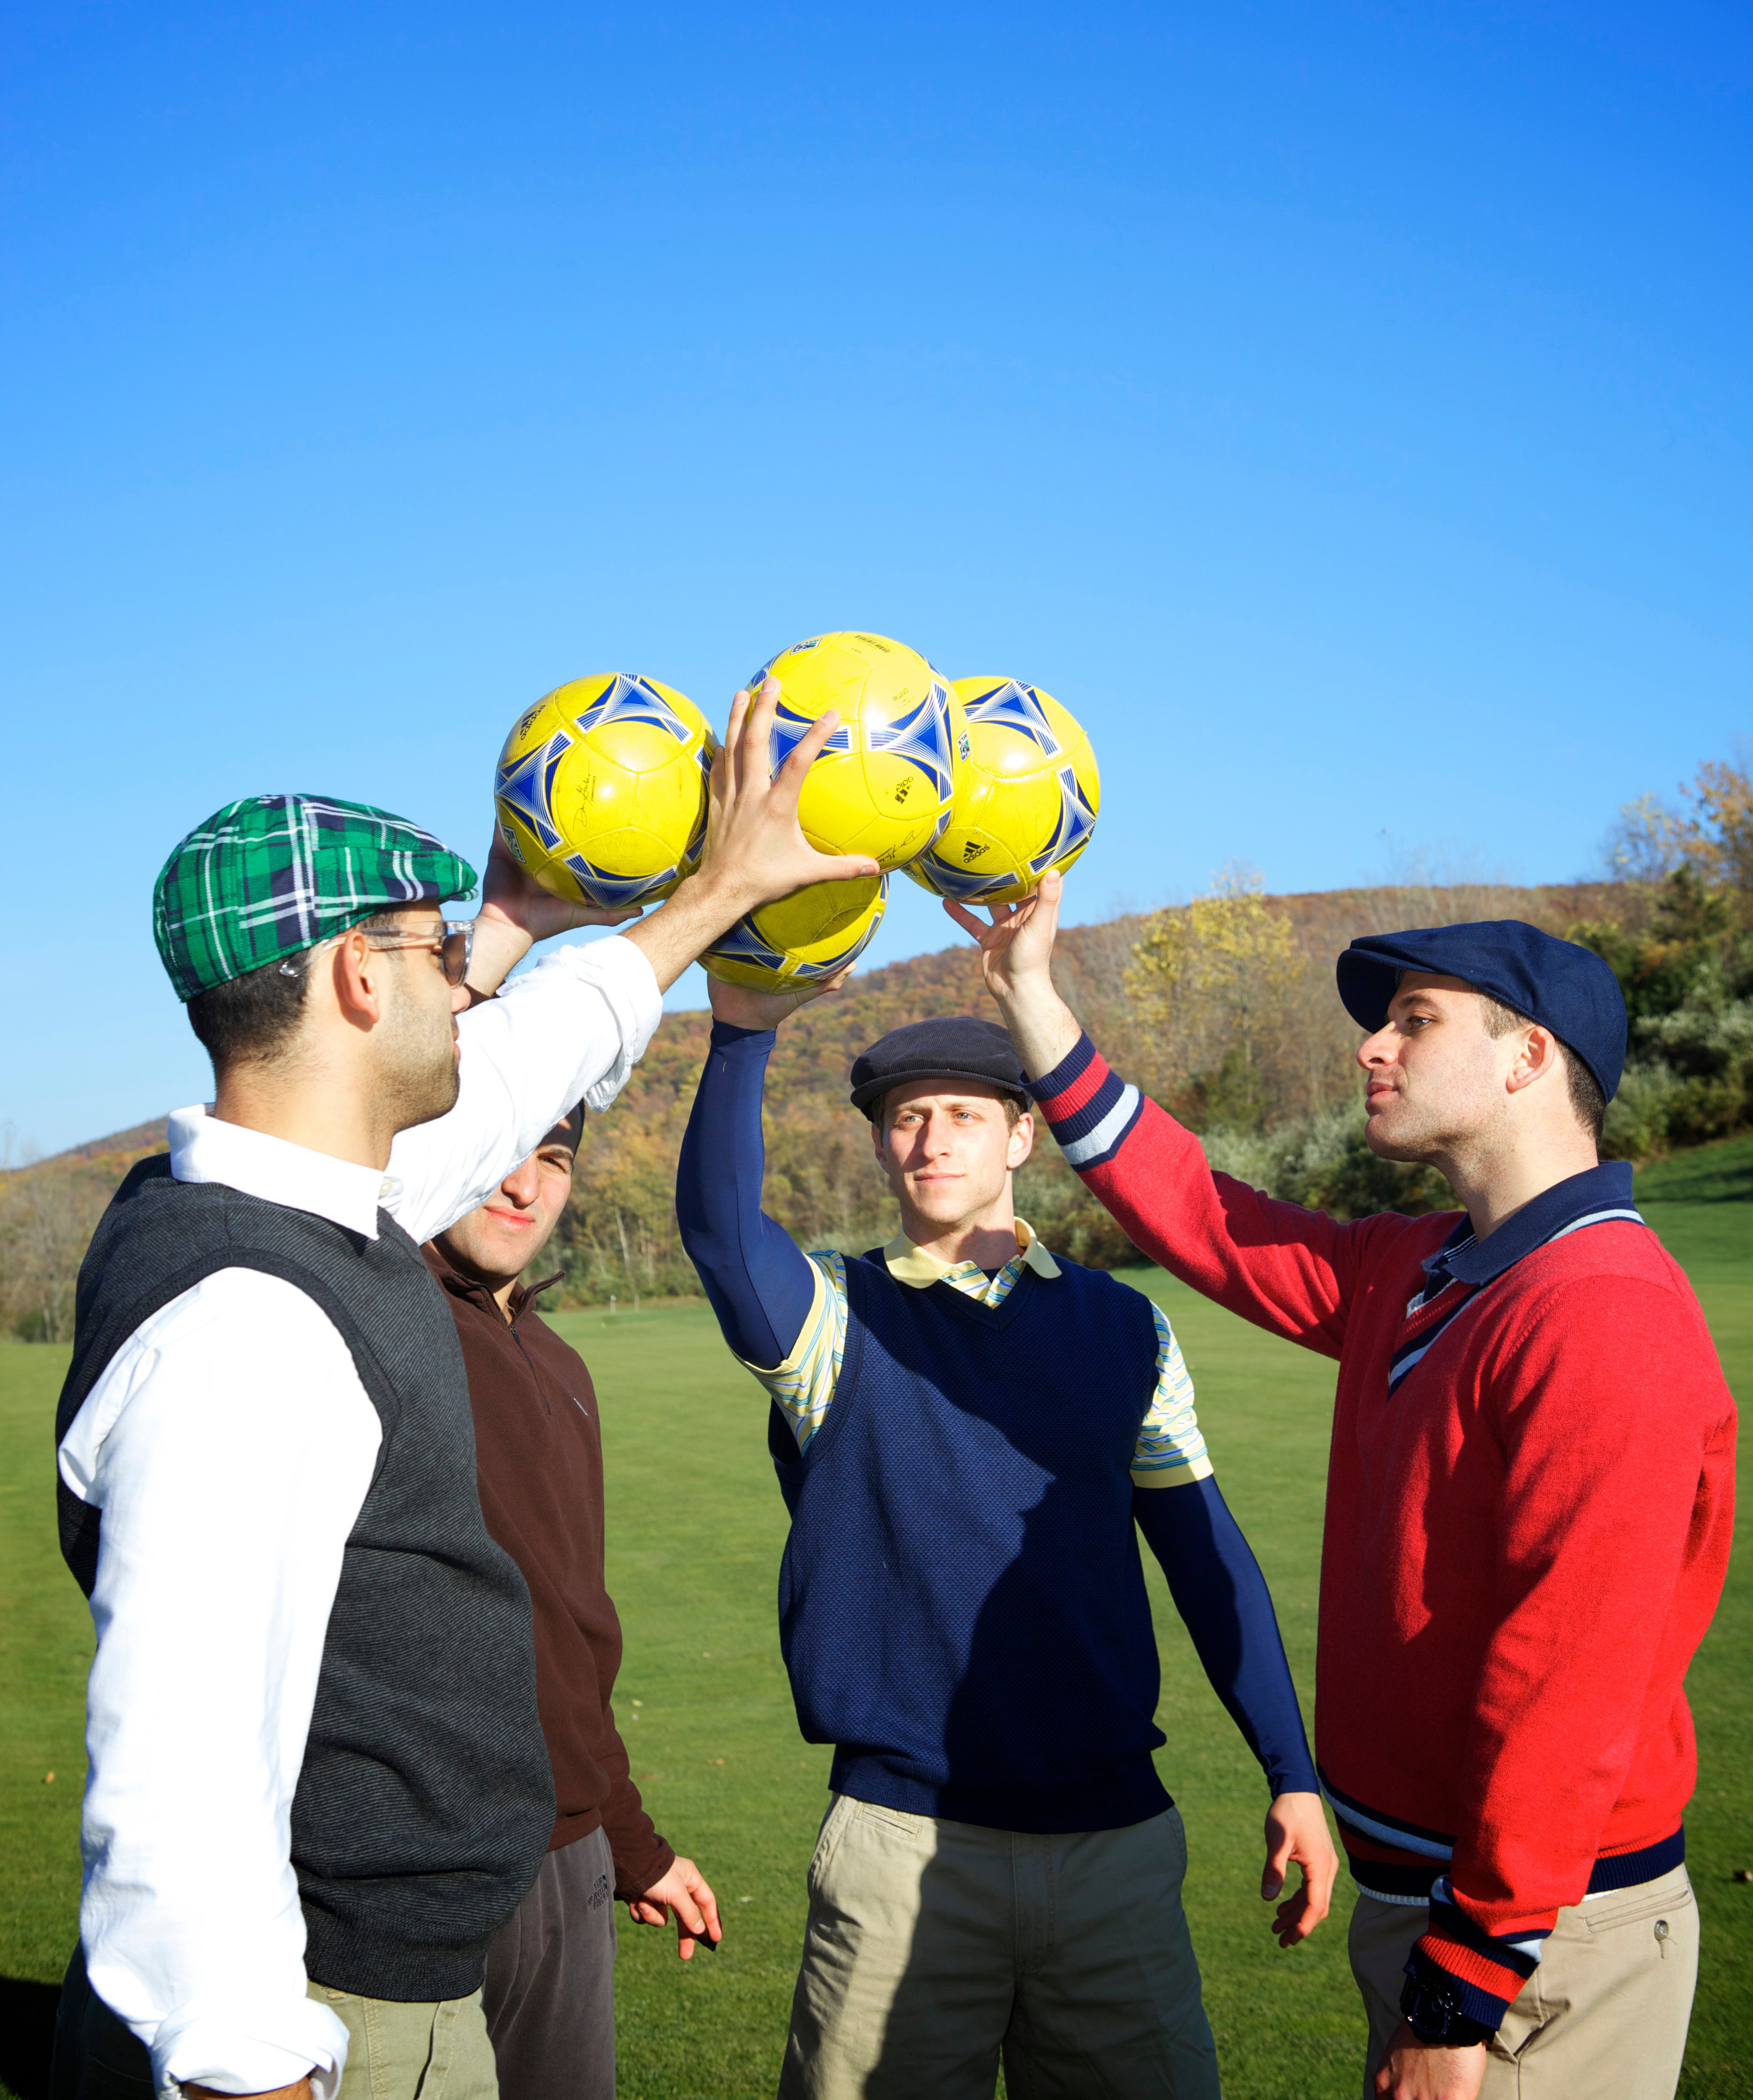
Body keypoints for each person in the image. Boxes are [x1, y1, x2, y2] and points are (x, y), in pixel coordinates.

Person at [52, 682, 874, 2100]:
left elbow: (507, 1071)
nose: (464, 988)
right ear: (362, 987)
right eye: (438, 959)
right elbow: (174, 1767)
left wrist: (602, 919)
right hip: (324, 2025)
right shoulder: (246, 1322)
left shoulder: (292, 1210)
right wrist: (258, 2073)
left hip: (397, 1986)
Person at [954, 877, 1737, 2100]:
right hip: (1442, 1902)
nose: (1373, 1044)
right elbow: (1207, 1219)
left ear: (1530, 1055)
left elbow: (1572, 1688)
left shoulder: (1604, 1313)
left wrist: (1466, 1987)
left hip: (1540, 1936)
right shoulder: (1422, 1266)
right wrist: (1032, 1000)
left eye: (1416, 1018)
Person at [675, 978, 1338, 2100]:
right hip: (903, 1844)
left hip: (1114, 1850)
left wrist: (1292, 1771)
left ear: (1025, 1133)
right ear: (883, 1146)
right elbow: (725, 1237)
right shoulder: (833, 1317)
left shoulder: (1126, 1324)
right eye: (906, 1118)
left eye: (965, 1113)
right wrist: (743, 1025)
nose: (931, 1139)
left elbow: (1205, 1555)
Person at [427, 1110, 720, 2100]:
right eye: (496, 1147)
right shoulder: (384, 1318)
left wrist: (633, 1846)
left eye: (551, 1159)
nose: (523, 1187)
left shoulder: (561, 1364)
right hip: (425, 1864)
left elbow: (572, 1639)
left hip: (571, 1855)